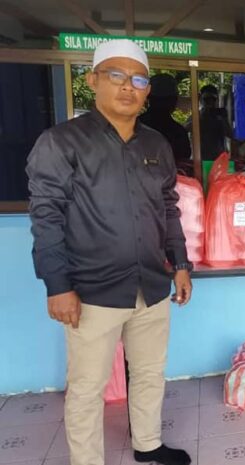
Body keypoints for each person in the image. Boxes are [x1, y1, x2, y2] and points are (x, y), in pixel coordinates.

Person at [26, 39, 194, 465]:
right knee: (86, 387)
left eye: (138, 79)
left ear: (147, 90)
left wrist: (180, 264)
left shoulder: (156, 144)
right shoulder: (61, 141)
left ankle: (148, 444)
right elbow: (46, 218)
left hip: (152, 285)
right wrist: (57, 286)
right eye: (116, 76)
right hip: (91, 291)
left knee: (150, 373)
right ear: (93, 80)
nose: (127, 87)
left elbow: (169, 209)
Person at [139, 73, 192, 173]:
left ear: (147, 98)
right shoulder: (178, 132)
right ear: (174, 101)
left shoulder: (131, 126)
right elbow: (183, 162)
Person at [187, 84, 232, 161]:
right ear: (201, 100)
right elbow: (185, 129)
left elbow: (230, 134)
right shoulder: (196, 116)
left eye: (213, 99)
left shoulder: (220, 117)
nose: (210, 102)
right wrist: (201, 118)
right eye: (207, 99)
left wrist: (223, 119)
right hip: (200, 160)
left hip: (218, 160)